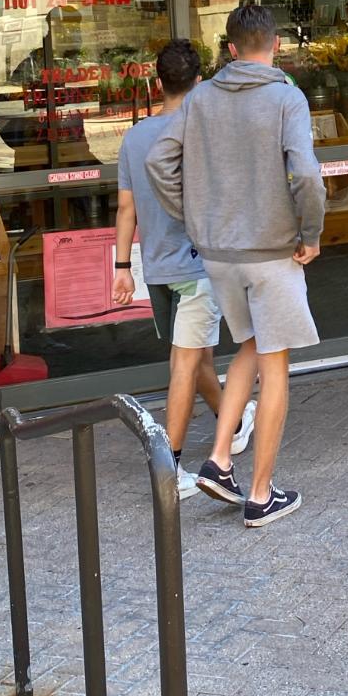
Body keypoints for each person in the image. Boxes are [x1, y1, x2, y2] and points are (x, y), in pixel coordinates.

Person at [145, 2, 325, 531]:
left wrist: (195, 216)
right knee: (276, 368)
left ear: (229, 49)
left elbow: (159, 162)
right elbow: (308, 177)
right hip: (271, 253)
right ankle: (261, 495)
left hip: (220, 254)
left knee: (250, 346)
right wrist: (310, 234)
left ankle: (221, 460)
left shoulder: (200, 98)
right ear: (276, 45)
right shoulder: (287, 97)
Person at [112, 39, 255, 497]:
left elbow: (125, 209)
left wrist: (121, 266)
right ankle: (169, 471)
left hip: (156, 269)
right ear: (198, 82)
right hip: (197, 268)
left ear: (158, 81)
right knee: (185, 364)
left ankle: (234, 419)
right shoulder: (201, 131)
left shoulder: (134, 137)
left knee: (194, 360)